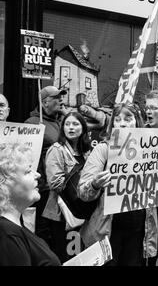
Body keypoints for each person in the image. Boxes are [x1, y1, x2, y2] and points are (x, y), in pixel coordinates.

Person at [78, 103, 158, 266]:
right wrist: (94, 185)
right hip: (108, 230)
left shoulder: (150, 150)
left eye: (128, 119)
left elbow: (157, 188)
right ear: (112, 123)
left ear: (137, 122)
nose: (122, 123)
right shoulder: (103, 149)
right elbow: (82, 192)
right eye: (118, 119)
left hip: (139, 231)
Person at [0, 143, 60, 266]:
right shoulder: (7, 234)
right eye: (28, 171)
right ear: (5, 184)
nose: (38, 175)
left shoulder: (14, 228)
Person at [43, 112, 91, 262]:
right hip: (62, 213)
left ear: (83, 129)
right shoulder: (57, 149)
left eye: (75, 124)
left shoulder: (86, 151)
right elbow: (55, 182)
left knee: (80, 254)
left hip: (82, 210)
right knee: (66, 256)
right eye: (67, 124)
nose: (71, 127)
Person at [24, 86, 67, 247]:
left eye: (61, 97)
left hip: (62, 187)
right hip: (44, 189)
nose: (61, 100)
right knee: (45, 234)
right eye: (56, 97)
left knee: (61, 233)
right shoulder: (32, 123)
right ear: (44, 103)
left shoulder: (63, 120)